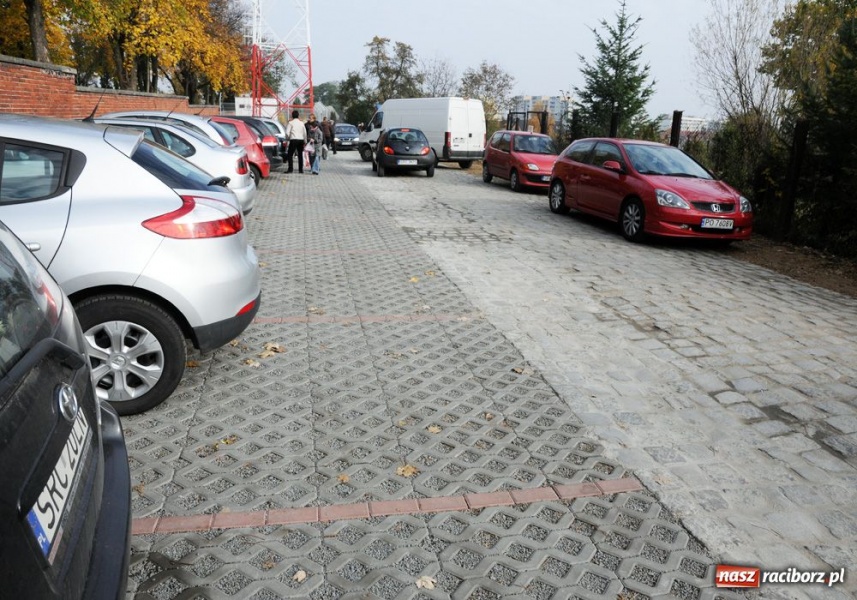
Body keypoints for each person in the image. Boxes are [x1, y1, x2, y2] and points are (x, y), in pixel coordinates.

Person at [285, 110, 306, 174]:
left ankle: (290, 169)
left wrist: (288, 138)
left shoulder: (291, 123)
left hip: (293, 139)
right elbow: (304, 133)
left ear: (292, 115)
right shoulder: (301, 123)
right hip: (300, 140)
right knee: (300, 155)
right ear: (298, 115)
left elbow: (287, 132)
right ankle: (301, 170)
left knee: (290, 155)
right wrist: (305, 141)